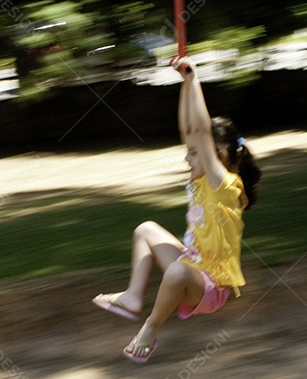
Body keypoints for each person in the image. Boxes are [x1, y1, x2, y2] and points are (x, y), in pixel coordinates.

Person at [91, 56, 261, 363]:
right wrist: (184, 82)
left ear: (219, 155)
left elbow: (199, 131)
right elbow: (189, 129)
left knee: (177, 270)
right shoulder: (201, 177)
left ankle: (151, 327)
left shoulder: (225, 185)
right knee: (145, 229)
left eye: (194, 154)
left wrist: (194, 79)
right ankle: (132, 296)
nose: (187, 159)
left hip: (210, 286)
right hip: (190, 264)